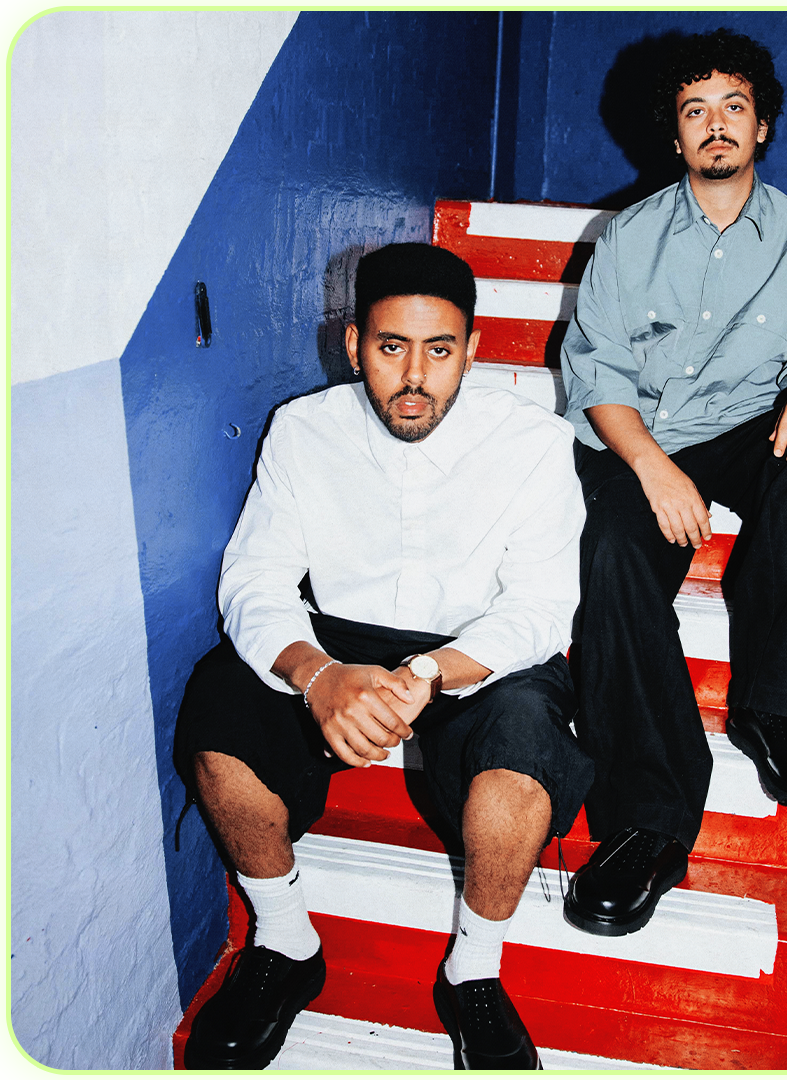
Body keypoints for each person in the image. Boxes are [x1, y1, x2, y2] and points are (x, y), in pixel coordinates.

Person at [175, 242, 592, 1069]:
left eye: (440, 351)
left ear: (472, 350)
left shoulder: (536, 443)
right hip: (338, 641)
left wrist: (428, 674)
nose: (414, 375)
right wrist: (318, 674)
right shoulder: (302, 430)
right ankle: (286, 944)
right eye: (391, 347)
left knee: (524, 760)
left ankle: (473, 972)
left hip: (476, 652)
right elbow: (255, 580)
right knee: (218, 715)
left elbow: (542, 610)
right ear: (354, 342)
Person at [560, 27, 787, 937]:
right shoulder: (626, 240)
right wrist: (650, 468)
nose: (716, 126)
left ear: (762, 127)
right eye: (696, 112)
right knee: (609, 552)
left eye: (734, 107)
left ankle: (771, 709)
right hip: (641, 438)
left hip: (744, 429)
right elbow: (595, 379)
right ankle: (646, 822)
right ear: (676, 137)